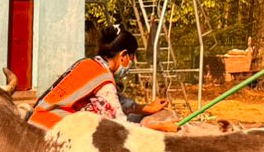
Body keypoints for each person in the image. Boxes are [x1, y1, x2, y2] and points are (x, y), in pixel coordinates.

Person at [28, 25, 170, 130]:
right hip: (50, 128)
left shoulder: (89, 64)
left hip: (37, 119)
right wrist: (157, 128)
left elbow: (116, 102)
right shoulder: (104, 80)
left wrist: (148, 108)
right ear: (123, 55)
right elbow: (122, 127)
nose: (133, 62)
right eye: (132, 57)